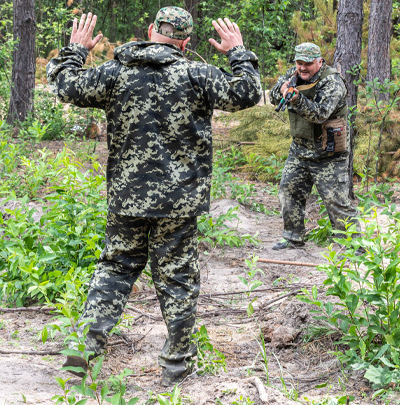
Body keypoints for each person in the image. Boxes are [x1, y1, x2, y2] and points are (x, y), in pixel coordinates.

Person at [46, 7, 261, 386]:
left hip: (128, 198)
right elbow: (247, 92)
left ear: (150, 30)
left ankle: (82, 353)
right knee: (178, 278)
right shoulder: (197, 74)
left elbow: (64, 86)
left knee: (114, 269)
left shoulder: (116, 72)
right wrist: (237, 50)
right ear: (186, 41)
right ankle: (176, 366)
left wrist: (76, 50)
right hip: (179, 202)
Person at [269, 42, 359, 250]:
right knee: (289, 192)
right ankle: (293, 237)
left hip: (328, 154)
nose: (303, 68)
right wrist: (282, 90)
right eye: (299, 63)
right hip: (300, 150)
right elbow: (274, 95)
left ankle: (354, 245)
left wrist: (297, 98)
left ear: (319, 61)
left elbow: (319, 114)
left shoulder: (332, 82)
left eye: (308, 64)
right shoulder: (293, 75)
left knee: (336, 201)